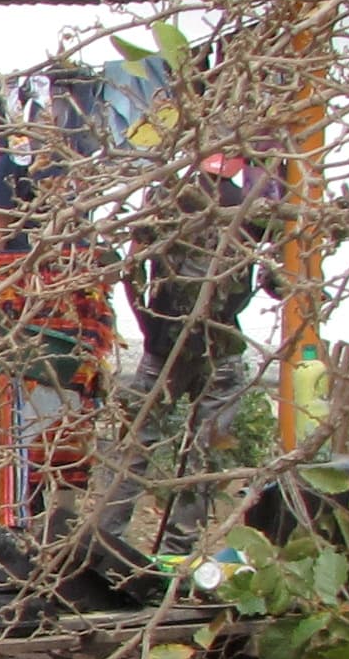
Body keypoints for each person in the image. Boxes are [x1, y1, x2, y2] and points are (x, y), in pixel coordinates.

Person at [109, 147, 280, 547]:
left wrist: (148, 322)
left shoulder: (162, 199)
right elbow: (277, 283)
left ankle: (105, 540)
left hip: (166, 342)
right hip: (219, 343)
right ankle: (176, 548)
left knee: (135, 446)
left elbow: (129, 269)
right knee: (204, 454)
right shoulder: (248, 207)